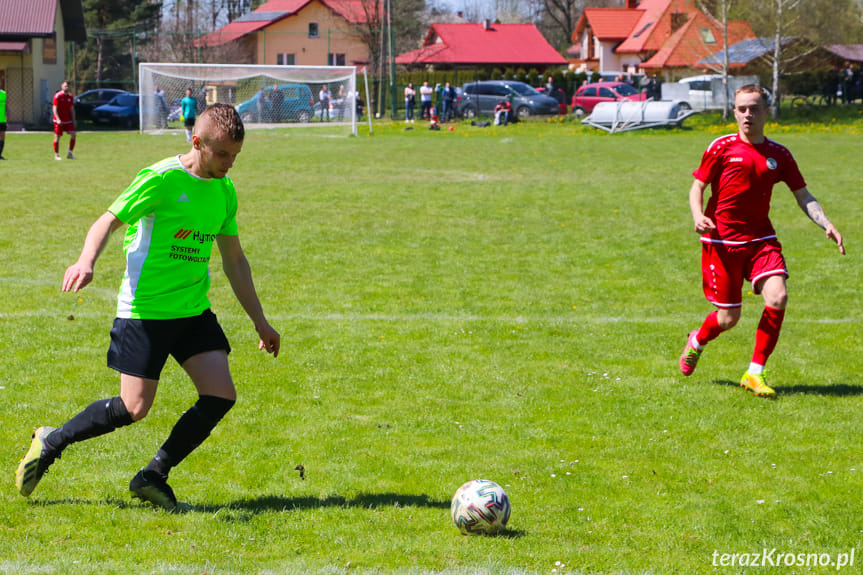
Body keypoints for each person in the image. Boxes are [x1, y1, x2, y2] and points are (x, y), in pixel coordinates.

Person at [14, 103, 281, 510]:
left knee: (220, 394)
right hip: (145, 311)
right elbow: (107, 220)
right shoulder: (159, 179)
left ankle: (153, 475)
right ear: (197, 143)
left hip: (192, 309)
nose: (230, 163)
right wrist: (86, 261)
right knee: (134, 407)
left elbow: (234, 261)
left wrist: (260, 322)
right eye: (223, 154)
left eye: (235, 155)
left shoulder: (224, 191)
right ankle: (52, 439)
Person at [679, 85, 845, 397]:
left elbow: (803, 195)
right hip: (722, 242)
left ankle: (755, 373)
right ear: (734, 112)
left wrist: (827, 223)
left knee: (778, 297)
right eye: (742, 109)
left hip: (761, 240)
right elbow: (697, 186)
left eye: (754, 108)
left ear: (766, 112)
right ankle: (697, 340)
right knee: (729, 319)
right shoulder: (721, 147)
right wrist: (697, 214)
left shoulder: (779, 154)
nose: (747, 115)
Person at [52, 81, 76, 160]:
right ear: (62, 86)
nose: (67, 88)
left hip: (67, 120)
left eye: (68, 86)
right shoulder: (57, 96)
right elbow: (54, 108)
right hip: (59, 121)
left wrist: (74, 120)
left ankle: (70, 153)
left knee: (73, 135)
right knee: (57, 137)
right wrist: (58, 119)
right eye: (65, 86)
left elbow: (72, 109)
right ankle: (56, 155)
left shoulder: (70, 96)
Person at [0, 86, 6, 160]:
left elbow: (5, 107)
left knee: (2, 136)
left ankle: (0, 154)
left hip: (2, 120)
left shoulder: (3, 93)